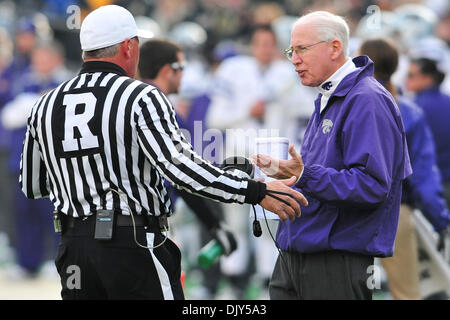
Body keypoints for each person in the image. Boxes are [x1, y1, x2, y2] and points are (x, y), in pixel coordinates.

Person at [19, 5, 308, 300]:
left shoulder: (45, 103)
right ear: (128, 47)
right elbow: (179, 170)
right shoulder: (140, 95)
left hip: (73, 247)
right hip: (131, 241)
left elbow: (32, 185)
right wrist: (256, 190)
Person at [254, 11, 411, 300]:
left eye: (302, 49)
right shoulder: (330, 94)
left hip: (335, 259)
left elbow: (372, 185)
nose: (294, 59)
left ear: (335, 48)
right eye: (291, 50)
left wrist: (304, 175)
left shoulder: (367, 99)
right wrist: (292, 176)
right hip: (298, 251)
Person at [137, 38, 235, 298]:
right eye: (181, 66)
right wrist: (213, 222)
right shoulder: (157, 106)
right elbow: (182, 175)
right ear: (168, 70)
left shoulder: (124, 100)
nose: (184, 72)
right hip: (148, 222)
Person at [358, 38, 450, 300]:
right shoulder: (408, 110)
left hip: (349, 214)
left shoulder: (346, 104)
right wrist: (439, 220)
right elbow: (423, 177)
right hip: (395, 213)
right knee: (407, 294)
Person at [1, 40, 70, 278]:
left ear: (57, 60)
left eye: (44, 59)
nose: (39, 64)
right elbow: (9, 116)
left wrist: (31, 105)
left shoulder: (65, 84)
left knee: (52, 212)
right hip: (21, 160)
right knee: (23, 212)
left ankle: (53, 259)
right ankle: (26, 262)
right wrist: (36, 102)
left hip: (53, 164)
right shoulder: (24, 82)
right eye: (37, 59)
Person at [405, 58, 450, 208]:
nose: (406, 79)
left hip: (429, 187)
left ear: (428, 78)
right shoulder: (447, 101)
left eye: (411, 75)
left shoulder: (414, 109)